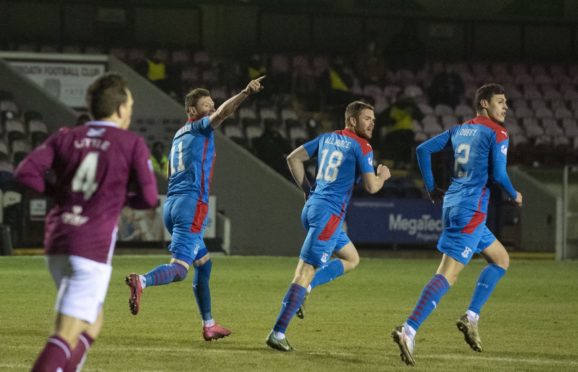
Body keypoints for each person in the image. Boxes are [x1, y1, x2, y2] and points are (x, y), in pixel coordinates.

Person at [14, 72, 158, 372]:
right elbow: (148, 197)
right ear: (120, 109)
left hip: (56, 242)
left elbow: (25, 173)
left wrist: (62, 192)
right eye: (129, 105)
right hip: (89, 247)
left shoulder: (68, 135)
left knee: (92, 322)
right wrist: (115, 198)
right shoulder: (130, 143)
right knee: (65, 333)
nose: (130, 111)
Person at [125, 76, 265, 341]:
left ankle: (209, 325)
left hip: (172, 204)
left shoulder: (179, 135)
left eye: (212, 103)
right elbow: (226, 111)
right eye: (206, 105)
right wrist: (246, 92)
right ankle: (141, 281)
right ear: (192, 111)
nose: (212, 108)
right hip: (191, 205)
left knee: (204, 263)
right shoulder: (201, 127)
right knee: (180, 269)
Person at [391, 83, 523, 366]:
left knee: (500, 259)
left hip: (454, 203)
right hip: (471, 210)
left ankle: (471, 316)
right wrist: (515, 194)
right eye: (500, 101)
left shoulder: (459, 130)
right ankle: (408, 329)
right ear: (484, 104)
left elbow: (423, 150)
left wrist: (431, 187)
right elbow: (499, 175)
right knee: (448, 274)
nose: (506, 106)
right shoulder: (497, 132)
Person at [266, 101, 391, 352]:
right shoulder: (362, 146)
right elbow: (371, 187)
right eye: (367, 118)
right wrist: (383, 176)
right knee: (303, 271)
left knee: (351, 257)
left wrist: (307, 190)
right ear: (352, 121)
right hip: (329, 216)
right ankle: (278, 332)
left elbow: (294, 158)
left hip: (313, 209)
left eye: (373, 120)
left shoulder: (327, 138)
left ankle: (306, 290)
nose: (371, 123)